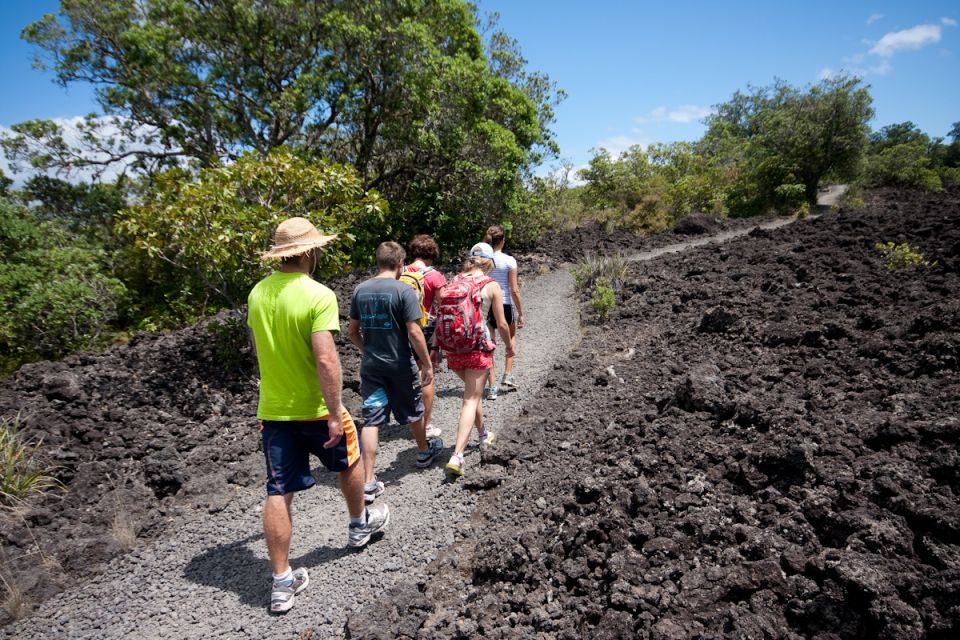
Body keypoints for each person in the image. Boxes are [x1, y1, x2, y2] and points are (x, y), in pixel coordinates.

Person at [247, 217, 389, 614]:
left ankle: (280, 582)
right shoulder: (318, 294)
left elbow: (260, 353)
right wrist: (332, 411)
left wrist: (269, 400)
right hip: (315, 409)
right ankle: (359, 526)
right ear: (309, 251)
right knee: (350, 460)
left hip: (274, 411)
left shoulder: (257, 294)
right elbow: (326, 359)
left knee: (278, 491)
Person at [348, 241, 444, 503]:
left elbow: (352, 331)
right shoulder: (403, 291)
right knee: (414, 409)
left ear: (378, 262)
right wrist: (425, 363)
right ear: (400, 263)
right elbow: (414, 332)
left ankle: (368, 481)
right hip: (400, 364)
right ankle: (424, 452)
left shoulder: (360, 290)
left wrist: (366, 350)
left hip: (372, 368)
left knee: (372, 420)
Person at [438, 242, 514, 477]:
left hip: (453, 348)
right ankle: (458, 456)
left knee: (474, 392)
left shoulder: (453, 282)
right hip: (477, 348)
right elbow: (501, 323)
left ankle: (483, 434)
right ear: (490, 262)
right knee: (470, 399)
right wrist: (509, 346)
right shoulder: (491, 285)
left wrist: (435, 347)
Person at [404, 234, 448, 439]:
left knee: (407, 374)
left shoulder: (401, 272)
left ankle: (409, 418)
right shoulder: (435, 276)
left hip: (402, 328)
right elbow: (446, 307)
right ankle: (426, 425)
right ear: (432, 253)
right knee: (427, 375)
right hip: (425, 328)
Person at [483, 225, 524, 400]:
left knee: (489, 345)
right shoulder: (509, 261)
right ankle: (507, 374)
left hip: (486, 304)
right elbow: (514, 290)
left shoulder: (483, 260)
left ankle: (491, 388)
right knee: (511, 337)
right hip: (505, 303)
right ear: (503, 241)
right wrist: (521, 312)